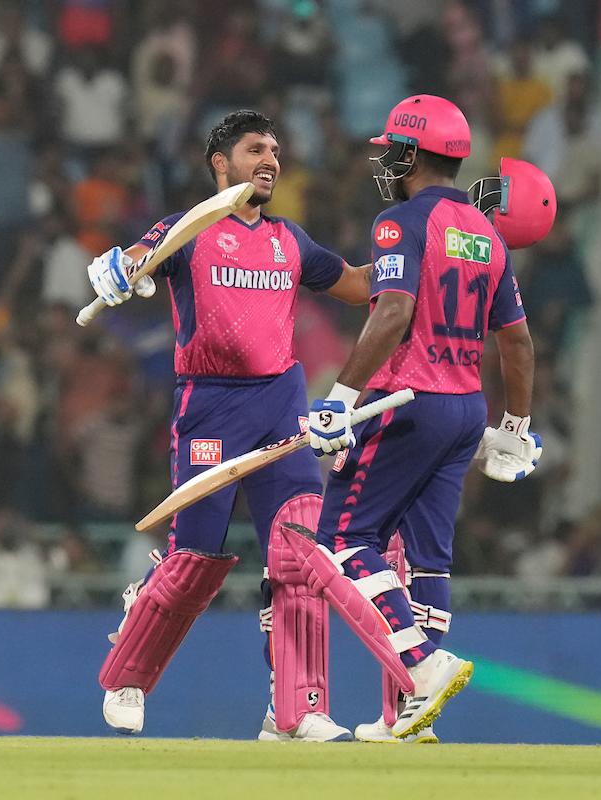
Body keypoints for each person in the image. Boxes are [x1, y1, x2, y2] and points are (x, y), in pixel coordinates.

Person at [86, 110, 372, 741]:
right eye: (254, 150)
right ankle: (127, 676)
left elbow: (354, 284)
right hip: (210, 409)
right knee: (195, 560)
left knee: (300, 556)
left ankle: (298, 710)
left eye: (275, 150)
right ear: (221, 163)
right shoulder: (191, 230)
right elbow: (139, 257)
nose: (270, 160)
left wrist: (406, 265)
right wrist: (116, 268)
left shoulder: (289, 239)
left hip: (282, 407)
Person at [304, 96, 549, 742]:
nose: (387, 160)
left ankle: (419, 663)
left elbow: (392, 312)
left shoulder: (400, 222)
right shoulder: (487, 234)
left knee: (343, 538)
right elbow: (518, 344)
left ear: (413, 153)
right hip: (467, 410)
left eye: (393, 150)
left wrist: (341, 397)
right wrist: (516, 429)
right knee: (428, 560)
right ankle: (407, 718)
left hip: (406, 403)